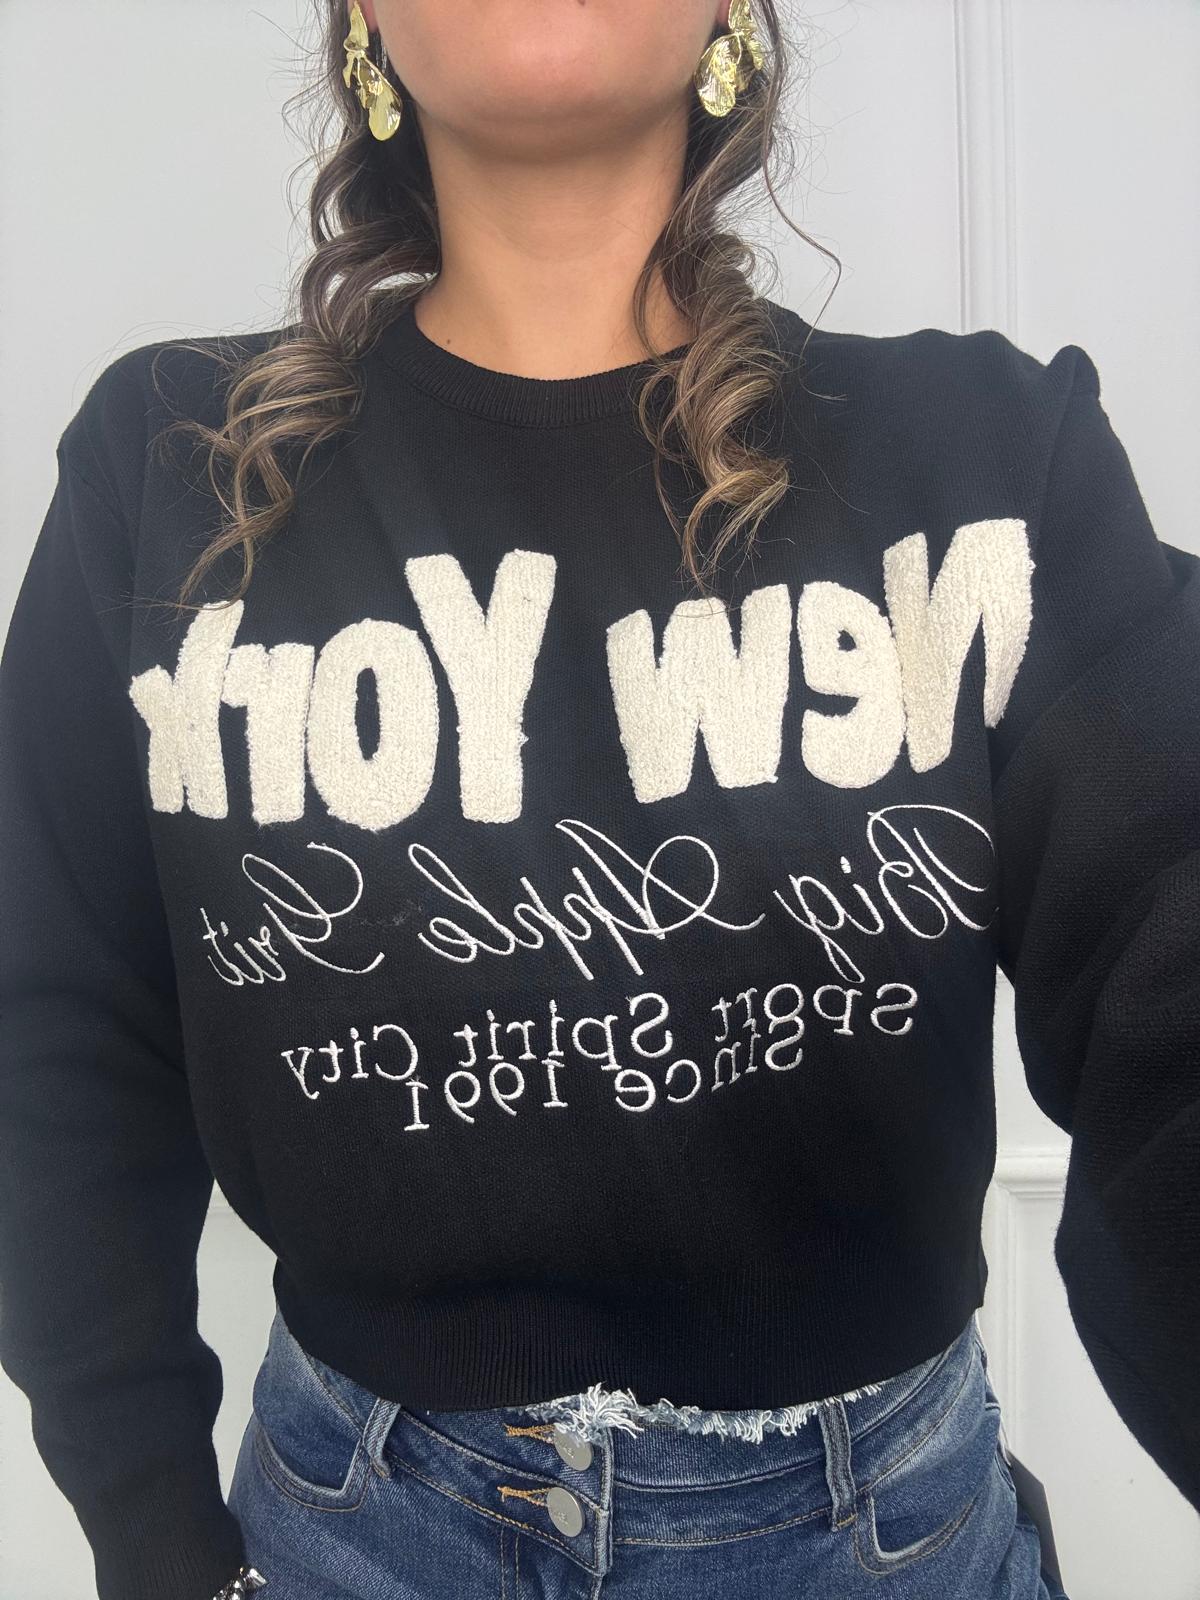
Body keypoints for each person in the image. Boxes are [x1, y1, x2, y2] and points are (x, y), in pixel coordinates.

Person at [1, 2, 1197, 1596]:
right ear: (363, 27)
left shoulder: (989, 459)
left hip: (883, 1543)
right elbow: (54, 1031)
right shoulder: (167, 472)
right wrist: (154, 1542)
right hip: (344, 1537)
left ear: (732, 21)